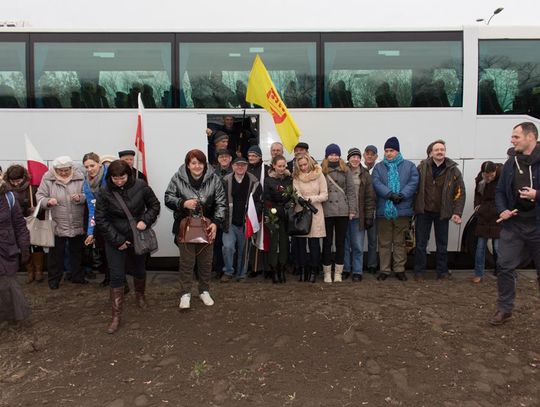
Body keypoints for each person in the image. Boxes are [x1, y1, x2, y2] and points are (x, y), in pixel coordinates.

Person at [95, 160, 160, 334]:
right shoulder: (104, 192)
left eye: (122, 177)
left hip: (138, 236)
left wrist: (145, 221)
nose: (119, 181)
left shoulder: (140, 185)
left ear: (128, 175)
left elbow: (154, 205)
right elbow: (101, 219)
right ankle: (116, 315)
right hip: (114, 238)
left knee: (139, 269)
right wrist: (117, 240)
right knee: (116, 275)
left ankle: (140, 296)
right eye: (115, 178)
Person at [490, 122, 540, 326]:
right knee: (504, 266)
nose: (512, 140)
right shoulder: (511, 162)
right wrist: (502, 209)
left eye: (516, 137)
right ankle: (505, 308)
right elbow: (500, 191)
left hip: (537, 225)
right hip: (514, 226)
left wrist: (537, 194)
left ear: (531, 137)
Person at [164, 149, 226, 310]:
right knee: (187, 262)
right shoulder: (178, 178)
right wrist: (182, 203)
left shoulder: (214, 179)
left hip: (207, 226)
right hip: (185, 226)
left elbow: (221, 202)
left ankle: (204, 291)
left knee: (206, 262)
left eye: (200, 162)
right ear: (188, 165)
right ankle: (185, 294)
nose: (197, 166)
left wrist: (217, 223)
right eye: (193, 163)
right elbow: (168, 197)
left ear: (205, 164)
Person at [413, 140, 465, 280]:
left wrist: (457, 212)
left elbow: (460, 193)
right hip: (424, 212)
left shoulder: (453, 170)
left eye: (442, 149)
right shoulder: (421, 168)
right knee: (420, 244)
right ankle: (419, 272)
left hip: (443, 213)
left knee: (442, 244)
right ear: (431, 153)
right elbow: (414, 188)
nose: (440, 152)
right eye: (437, 150)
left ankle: (442, 272)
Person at [36, 156, 87, 289]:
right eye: (60, 170)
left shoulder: (81, 176)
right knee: (55, 254)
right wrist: (47, 201)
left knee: (76, 251)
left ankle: (77, 276)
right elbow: (40, 196)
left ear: (71, 168)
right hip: (57, 222)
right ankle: (54, 279)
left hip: (76, 220)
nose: (63, 173)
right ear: (55, 169)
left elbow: (88, 194)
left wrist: (81, 197)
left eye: (66, 170)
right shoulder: (47, 178)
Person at [372, 137, 419, 281]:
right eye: (386, 151)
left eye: (391, 150)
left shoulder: (409, 166)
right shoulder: (379, 168)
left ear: (397, 151)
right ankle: (384, 270)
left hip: (402, 210)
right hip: (384, 212)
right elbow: (376, 182)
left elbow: (413, 181)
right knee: (384, 243)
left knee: (400, 242)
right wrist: (390, 194)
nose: (388, 153)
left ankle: (399, 269)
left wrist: (402, 195)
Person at [221, 157, 262, 281]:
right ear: (232, 166)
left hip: (246, 223)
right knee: (228, 247)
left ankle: (242, 274)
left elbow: (259, 202)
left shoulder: (254, 182)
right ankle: (228, 272)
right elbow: (219, 200)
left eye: (243, 165)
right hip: (229, 222)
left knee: (244, 250)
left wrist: (254, 214)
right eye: (237, 165)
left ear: (247, 166)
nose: (240, 167)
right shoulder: (225, 180)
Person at [321, 144, 357, 283]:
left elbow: (351, 191)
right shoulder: (321, 170)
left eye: (336, 154)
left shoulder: (345, 169)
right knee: (327, 243)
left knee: (341, 243)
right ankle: (327, 273)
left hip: (342, 210)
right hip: (327, 211)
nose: (334, 157)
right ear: (327, 155)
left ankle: (338, 273)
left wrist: (352, 210)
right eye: (331, 154)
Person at [4, 164, 45, 283]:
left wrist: (36, 209)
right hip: (16, 223)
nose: (16, 183)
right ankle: (30, 271)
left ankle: (39, 271)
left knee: (37, 245)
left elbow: (41, 202)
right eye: (13, 181)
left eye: (18, 180)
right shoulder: (6, 190)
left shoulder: (32, 187)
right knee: (23, 246)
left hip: (32, 220)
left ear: (24, 177)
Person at [0, 173, 31, 324]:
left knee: (7, 283)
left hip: (6, 247)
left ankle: (12, 317)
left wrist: (24, 246)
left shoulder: (9, 197)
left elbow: (19, 224)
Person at [293, 154, 328, 282]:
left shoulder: (319, 174)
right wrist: (300, 199)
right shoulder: (296, 177)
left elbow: (324, 195)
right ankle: (303, 270)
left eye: (305, 164)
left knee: (314, 244)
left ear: (310, 163)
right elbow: (295, 191)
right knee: (301, 244)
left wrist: (311, 199)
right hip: (301, 211)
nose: (303, 167)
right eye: (300, 165)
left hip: (315, 211)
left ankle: (314, 270)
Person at [343, 148, 376, 282]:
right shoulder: (342, 171)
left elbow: (369, 197)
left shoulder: (365, 174)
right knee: (344, 245)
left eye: (357, 157)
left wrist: (369, 216)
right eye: (352, 157)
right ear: (348, 158)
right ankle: (345, 269)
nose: (355, 159)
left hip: (359, 216)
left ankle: (357, 270)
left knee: (357, 245)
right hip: (343, 215)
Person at [82, 152, 110, 286]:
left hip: (115, 219)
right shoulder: (86, 184)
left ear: (99, 164)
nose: (89, 170)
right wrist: (90, 232)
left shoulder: (109, 175)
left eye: (92, 165)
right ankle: (108, 277)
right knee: (103, 250)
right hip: (101, 220)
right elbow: (92, 209)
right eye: (86, 167)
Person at [264, 155, 292, 283]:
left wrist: (288, 203)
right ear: (274, 166)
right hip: (273, 214)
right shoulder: (269, 180)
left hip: (285, 214)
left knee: (284, 242)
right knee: (274, 243)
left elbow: (291, 195)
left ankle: (282, 268)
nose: (281, 168)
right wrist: (271, 211)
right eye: (279, 166)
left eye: (283, 166)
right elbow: (267, 198)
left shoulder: (289, 179)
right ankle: (274, 269)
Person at [473, 161, 502, 283]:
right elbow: (477, 194)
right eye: (487, 175)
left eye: (491, 175)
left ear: (495, 171)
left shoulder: (503, 176)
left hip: (498, 215)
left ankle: (502, 272)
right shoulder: (481, 178)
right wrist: (477, 206)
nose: (489, 178)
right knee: (480, 247)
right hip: (484, 215)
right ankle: (478, 273)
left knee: (497, 247)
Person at [363, 145, 379, 274]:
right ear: (364, 155)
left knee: (373, 240)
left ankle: (372, 265)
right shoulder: (358, 168)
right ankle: (354, 265)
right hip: (359, 210)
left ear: (376, 156)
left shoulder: (379, 169)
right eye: (367, 153)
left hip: (374, 209)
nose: (369, 156)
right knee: (356, 240)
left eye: (372, 154)